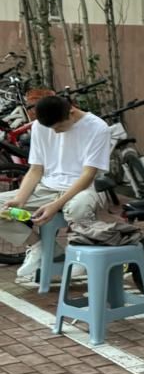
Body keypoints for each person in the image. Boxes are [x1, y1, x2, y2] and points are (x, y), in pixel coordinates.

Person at [1, 94, 111, 285]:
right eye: (51, 128)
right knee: (2, 208)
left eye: (58, 127)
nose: (55, 132)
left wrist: (56, 205)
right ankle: (41, 247)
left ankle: (79, 252)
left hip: (84, 188)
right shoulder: (39, 126)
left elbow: (88, 175)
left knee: (78, 207)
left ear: (71, 111)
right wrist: (20, 199)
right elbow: (36, 170)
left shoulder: (97, 128)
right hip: (47, 187)